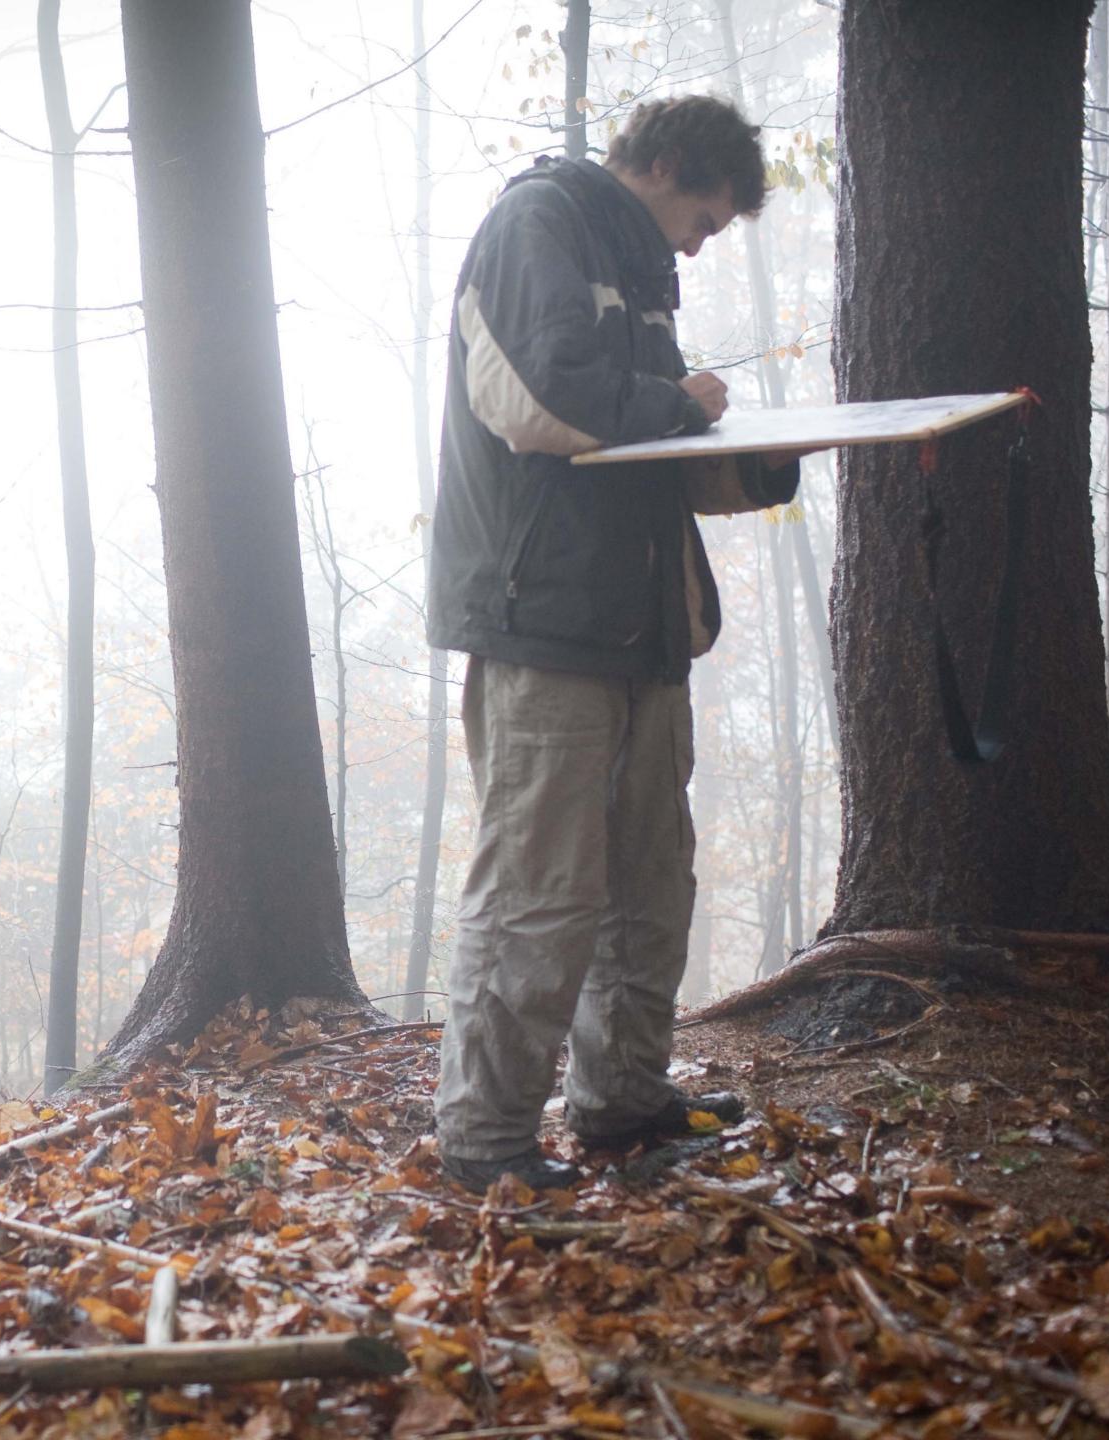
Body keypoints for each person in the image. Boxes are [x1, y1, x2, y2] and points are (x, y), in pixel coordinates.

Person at [426, 95, 809, 1190]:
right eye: (709, 215)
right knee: (539, 898)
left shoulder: (639, 268)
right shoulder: (536, 223)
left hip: (643, 629)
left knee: (652, 888)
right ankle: (486, 1141)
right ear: (671, 167)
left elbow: (642, 441)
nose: (705, 240)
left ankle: (622, 1106)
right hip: (544, 624)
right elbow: (544, 402)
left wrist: (760, 459)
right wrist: (679, 405)